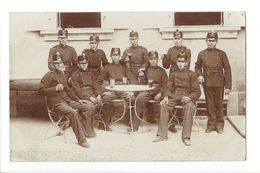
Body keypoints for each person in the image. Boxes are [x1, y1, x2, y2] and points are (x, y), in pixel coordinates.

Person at [39, 53, 93, 148]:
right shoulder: (48, 75)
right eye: (57, 63)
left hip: (67, 101)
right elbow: (40, 91)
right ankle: (82, 140)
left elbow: (68, 90)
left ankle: (86, 131)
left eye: (61, 63)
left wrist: (78, 100)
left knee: (88, 106)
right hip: (56, 103)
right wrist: (54, 89)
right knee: (73, 113)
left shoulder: (62, 74)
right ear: (53, 64)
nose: (59, 65)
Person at [154, 51, 201, 146]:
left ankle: (186, 137)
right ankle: (162, 134)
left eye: (182, 61)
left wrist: (190, 97)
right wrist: (166, 97)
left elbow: (197, 91)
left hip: (187, 98)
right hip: (175, 96)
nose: (180, 63)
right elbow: (168, 87)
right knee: (164, 104)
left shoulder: (192, 74)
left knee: (189, 108)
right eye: (179, 61)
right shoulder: (173, 74)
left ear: (186, 63)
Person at [195, 31, 232, 134]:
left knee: (219, 104)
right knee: (210, 104)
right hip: (207, 82)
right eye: (209, 40)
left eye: (213, 41)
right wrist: (199, 75)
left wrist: (228, 86)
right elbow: (197, 67)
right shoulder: (202, 54)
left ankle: (220, 125)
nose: (211, 43)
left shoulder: (222, 54)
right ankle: (211, 125)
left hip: (219, 82)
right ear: (206, 41)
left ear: (216, 41)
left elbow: (228, 70)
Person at [97, 48, 136, 131]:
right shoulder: (107, 67)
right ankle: (104, 123)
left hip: (123, 90)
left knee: (132, 99)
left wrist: (131, 91)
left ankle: (129, 121)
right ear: (111, 56)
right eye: (113, 55)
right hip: (113, 91)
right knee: (106, 99)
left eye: (117, 55)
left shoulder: (124, 67)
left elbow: (132, 79)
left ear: (119, 56)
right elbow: (98, 81)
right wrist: (104, 91)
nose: (115, 57)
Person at [132, 51, 168, 132]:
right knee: (139, 98)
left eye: (155, 59)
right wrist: (141, 76)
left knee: (166, 101)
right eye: (151, 59)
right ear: (148, 59)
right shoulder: (146, 70)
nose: (153, 61)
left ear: (158, 59)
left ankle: (167, 125)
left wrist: (160, 93)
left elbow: (166, 85)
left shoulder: (161, 71)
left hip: (159, 91)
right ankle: (134, 126)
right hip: (148, 91)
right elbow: (143, 83)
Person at [70, 54, 103, 138]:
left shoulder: (90, 73)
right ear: (78, 64)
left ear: (87, 63)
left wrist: (98, 94)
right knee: (90, 106)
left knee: (103, 101)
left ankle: (93, 125)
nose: (84, 65)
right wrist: (89, 98)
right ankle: (87, 131)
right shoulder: (75, 75)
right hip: (82, 96)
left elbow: (95, 85)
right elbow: (77, 91)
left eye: (85, 63)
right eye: (82, 63)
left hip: (91, 94)